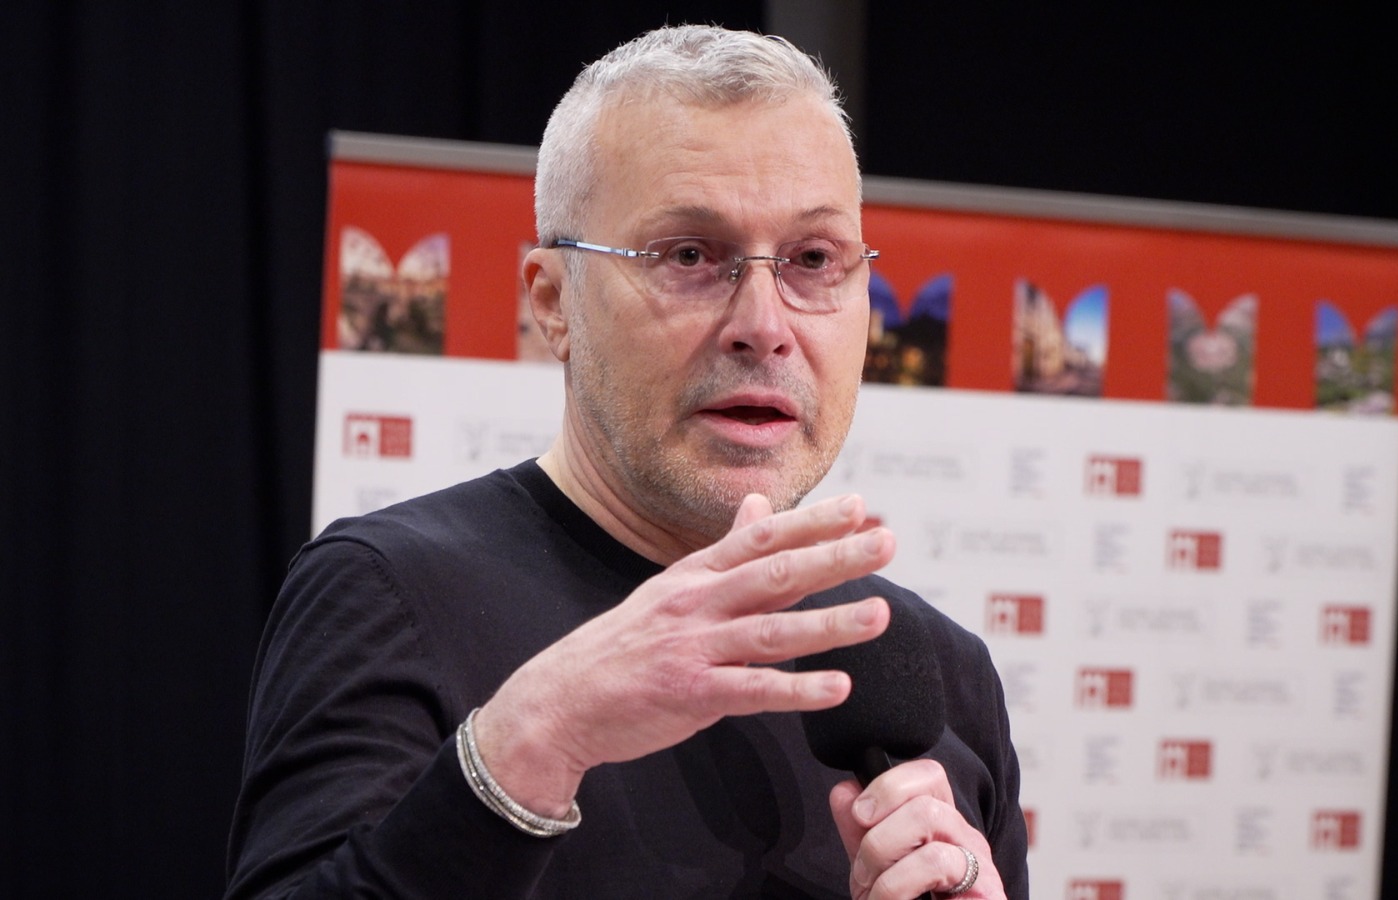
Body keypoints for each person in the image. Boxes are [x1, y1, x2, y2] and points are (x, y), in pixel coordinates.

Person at [226, 24, 1027, 899]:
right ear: (553, 303)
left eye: (812, 260)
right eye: (689, 256)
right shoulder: (388, 594)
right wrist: (536, 742)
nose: (764, 325)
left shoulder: (934, 670)